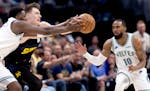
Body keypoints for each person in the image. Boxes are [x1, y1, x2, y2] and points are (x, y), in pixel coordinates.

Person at [0, 3, 84, 91]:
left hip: (23, 64)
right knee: (29, 85)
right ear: (26, 15)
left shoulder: (41, 25)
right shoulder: (20, 26)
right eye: (36, 13)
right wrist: (73, 27)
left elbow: (56, 29)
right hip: (12, 64)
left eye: (39, 13)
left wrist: (70, 23)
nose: (40, 15)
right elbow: (47, 32)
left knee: (25, 86)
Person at [75, 19, 150, 91]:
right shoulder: (109, 43)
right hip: (124, 72)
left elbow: (143, 61)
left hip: (138, 71)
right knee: (119, 84)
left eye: (117, 27)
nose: (115, 29)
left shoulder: (135, 39)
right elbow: (98, 61)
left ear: (124, 28)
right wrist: (85, 53)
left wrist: (135, 67)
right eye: (113, 27)